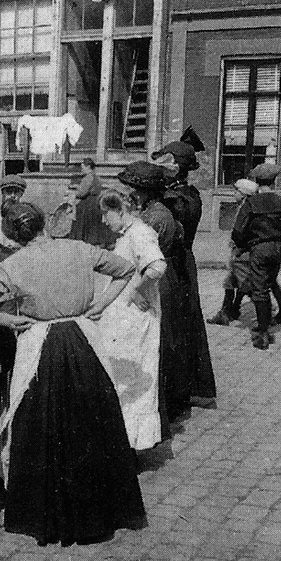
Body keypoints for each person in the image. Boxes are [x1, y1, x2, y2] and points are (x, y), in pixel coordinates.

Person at [0, 202, 147, 547]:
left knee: (41, 426)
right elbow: (126, 270)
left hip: (40, 346)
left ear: (11, 235)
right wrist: (102, 304)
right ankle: (98, 514)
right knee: (91, 422)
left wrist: (10, 320)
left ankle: (45, 514)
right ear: (46, 224)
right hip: (83, 341)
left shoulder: (12, 265)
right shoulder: (80, 249)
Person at [117, 160, 189, 429]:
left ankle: (159, 410)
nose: (129, 193)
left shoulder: (155, 217)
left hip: (154, 281)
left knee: (154, 343)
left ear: (143, 191)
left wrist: (136, 291)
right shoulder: (153, 211)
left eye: (132, 189)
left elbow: (148, 260)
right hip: (156, 278)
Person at [97, 186, 168, 451]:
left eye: (106, 214)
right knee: (122, 376)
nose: (104, 221)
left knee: (134, 379)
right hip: (124, 319)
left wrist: (137, 290)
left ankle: (132, 444)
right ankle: (123, 442)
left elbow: (157, 266)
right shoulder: (127, 234)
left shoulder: (140, 233)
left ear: (120, 210)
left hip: (137, 318)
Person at [153, 140, 217, 407]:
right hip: (180, 261)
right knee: (182, 321)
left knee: (174, 323)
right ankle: (184, 386)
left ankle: (176, 391)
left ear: (176, 167)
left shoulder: (178, 198)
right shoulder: (184, 193)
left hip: (175, 261)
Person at [231, 163, 281, 350]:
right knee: (269, 281)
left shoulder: (252, 203)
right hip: (278, 249)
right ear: (273, 181)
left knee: (260, 289)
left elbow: (237, 232)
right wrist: (277, 239)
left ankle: (262, 333)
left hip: (259, 249)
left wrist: (248, 244)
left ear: (256, 181)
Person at [207, 179, 281, 326]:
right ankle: (230, 311)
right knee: (233, 281)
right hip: (247, 251)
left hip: (247, 252)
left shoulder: (248, 208)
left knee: (250, 285)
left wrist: (239, 247)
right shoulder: (246, 205)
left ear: (244, 194)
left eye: (237, 191)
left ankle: (263, 317)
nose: (234, 194)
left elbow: (243, 232)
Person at [69, 157, 115, 248]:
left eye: (83, 167)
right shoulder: (96, 177)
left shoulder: (88, 178)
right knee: (95, 223)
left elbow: (82, 193)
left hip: (88, 203)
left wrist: (74, 193)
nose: (82, 169)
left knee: (83, 220)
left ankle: (83, 241)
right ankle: (97, 241)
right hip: (96, 202)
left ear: (88, 166)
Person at [0, 174, 26, 263]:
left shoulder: (27, 215)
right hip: (2, 260)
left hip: (23, 259)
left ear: (21, 194)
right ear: (3, 194)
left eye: (16, 192)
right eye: (9, 192)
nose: (12, 195)